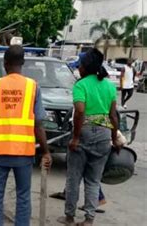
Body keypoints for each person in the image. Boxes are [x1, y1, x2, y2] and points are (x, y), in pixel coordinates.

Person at [0, 45, 52, 226]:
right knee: (23, 197)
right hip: (23, 153)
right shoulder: (32, 87)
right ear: (23, 63)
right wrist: (46, 151)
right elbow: (39, 124)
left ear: (5, 64)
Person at [59, 48, 120, 226]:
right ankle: (88, 219)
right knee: (93, 180)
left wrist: (75, 138)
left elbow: (79, 112)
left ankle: (69, 217)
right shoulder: (109, 85)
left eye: (80, 66)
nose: (78, 68)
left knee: (73, 178)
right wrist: (115, 138)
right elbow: (113, 115)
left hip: (84, 132)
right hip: (104, 134)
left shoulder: (81, 85)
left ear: (85, 67)